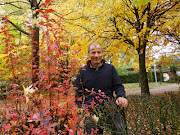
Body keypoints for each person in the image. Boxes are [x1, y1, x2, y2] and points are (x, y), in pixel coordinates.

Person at [75, 42, 128, 134]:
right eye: (93, 52)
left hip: (110, 108)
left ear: (102, 54)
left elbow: (118, 86)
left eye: (99, 52)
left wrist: (121, 96)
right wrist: (78, 109)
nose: (96, 55)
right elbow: (78, 93)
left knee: (120, 132)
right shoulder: (82, 71)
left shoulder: (110, 69)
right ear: (88, 54)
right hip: (91, 112)